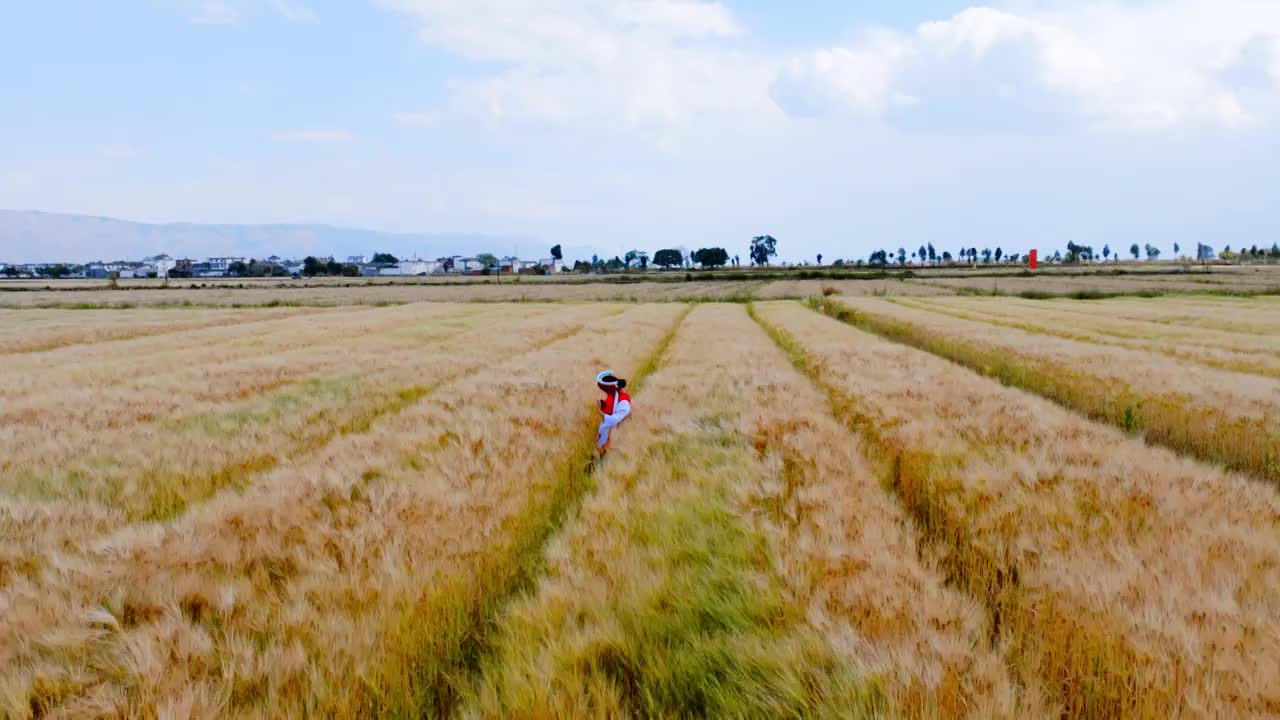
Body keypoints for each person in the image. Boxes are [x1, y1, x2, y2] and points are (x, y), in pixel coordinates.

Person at [596, 370, 631, 456]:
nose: (606, 393)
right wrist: (604, 405)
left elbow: (613, 420)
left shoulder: (624, 402)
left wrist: (599, 410)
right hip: (606, 437)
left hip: (613, 442)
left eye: (606, 391)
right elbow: (610, 409)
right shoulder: (613, 395)